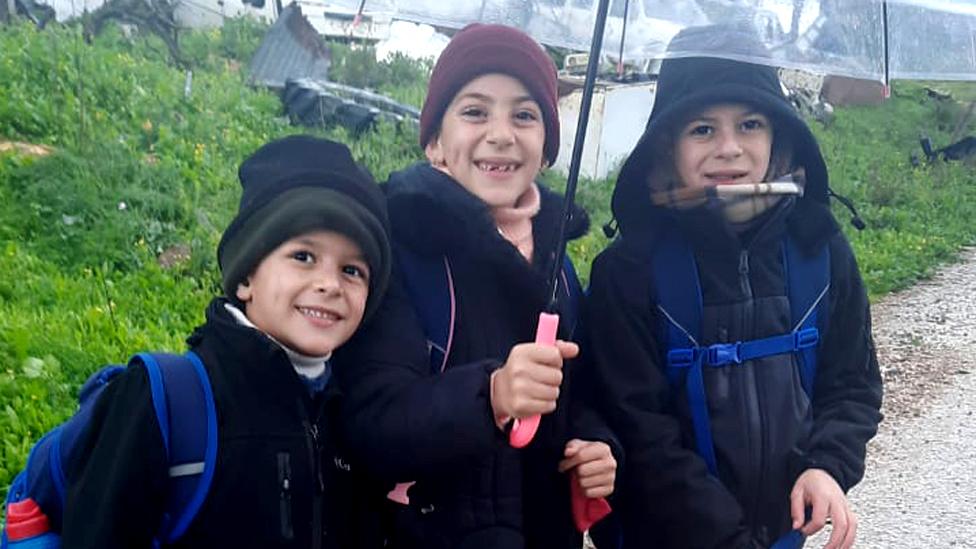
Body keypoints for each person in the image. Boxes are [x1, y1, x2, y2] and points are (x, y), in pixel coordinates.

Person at [583, 26, 883, 549]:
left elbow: (853, 384)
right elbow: (639, 430)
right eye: (702, 129)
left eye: (750, 124)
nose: (729, 148)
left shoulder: (820, 252)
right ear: (666, 145)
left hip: (782, 535)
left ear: (780, 137)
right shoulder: (629, 271)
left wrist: (826, 465)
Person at [334, 23, 618, 549]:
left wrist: (595, 446)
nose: (501, 133)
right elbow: (372, 423)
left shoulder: (557, 262)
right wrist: (490, 395)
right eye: (474, 111)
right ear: (436, 142)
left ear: (547, 148)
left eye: (525, 115)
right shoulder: (401, 249)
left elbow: (576, 396)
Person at [61, 135, 393, 548]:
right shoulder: (163, 400)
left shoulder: (354, 413)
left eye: (352, 270)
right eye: (303, 257)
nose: (329, 284)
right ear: (246, 278)